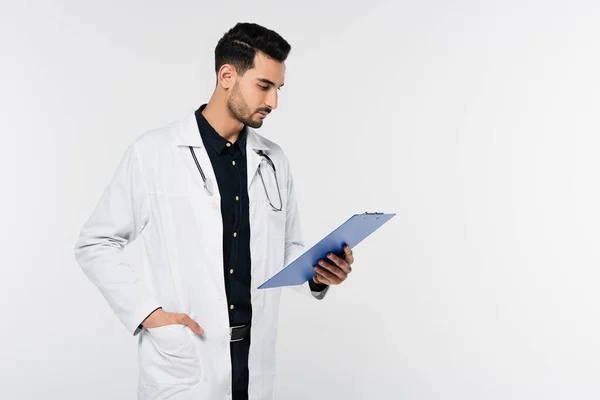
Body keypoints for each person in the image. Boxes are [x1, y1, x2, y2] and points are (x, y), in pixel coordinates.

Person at [73, 22, 355, 400]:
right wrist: (148, 313)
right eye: (264, 85)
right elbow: (96, 243)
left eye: (278, 89)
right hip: (186, 358)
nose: (273, 102)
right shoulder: (154, 152)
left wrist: (319, 276)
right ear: (227, 76)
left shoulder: (273, 159)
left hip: (252, 362)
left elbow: (285, 250)